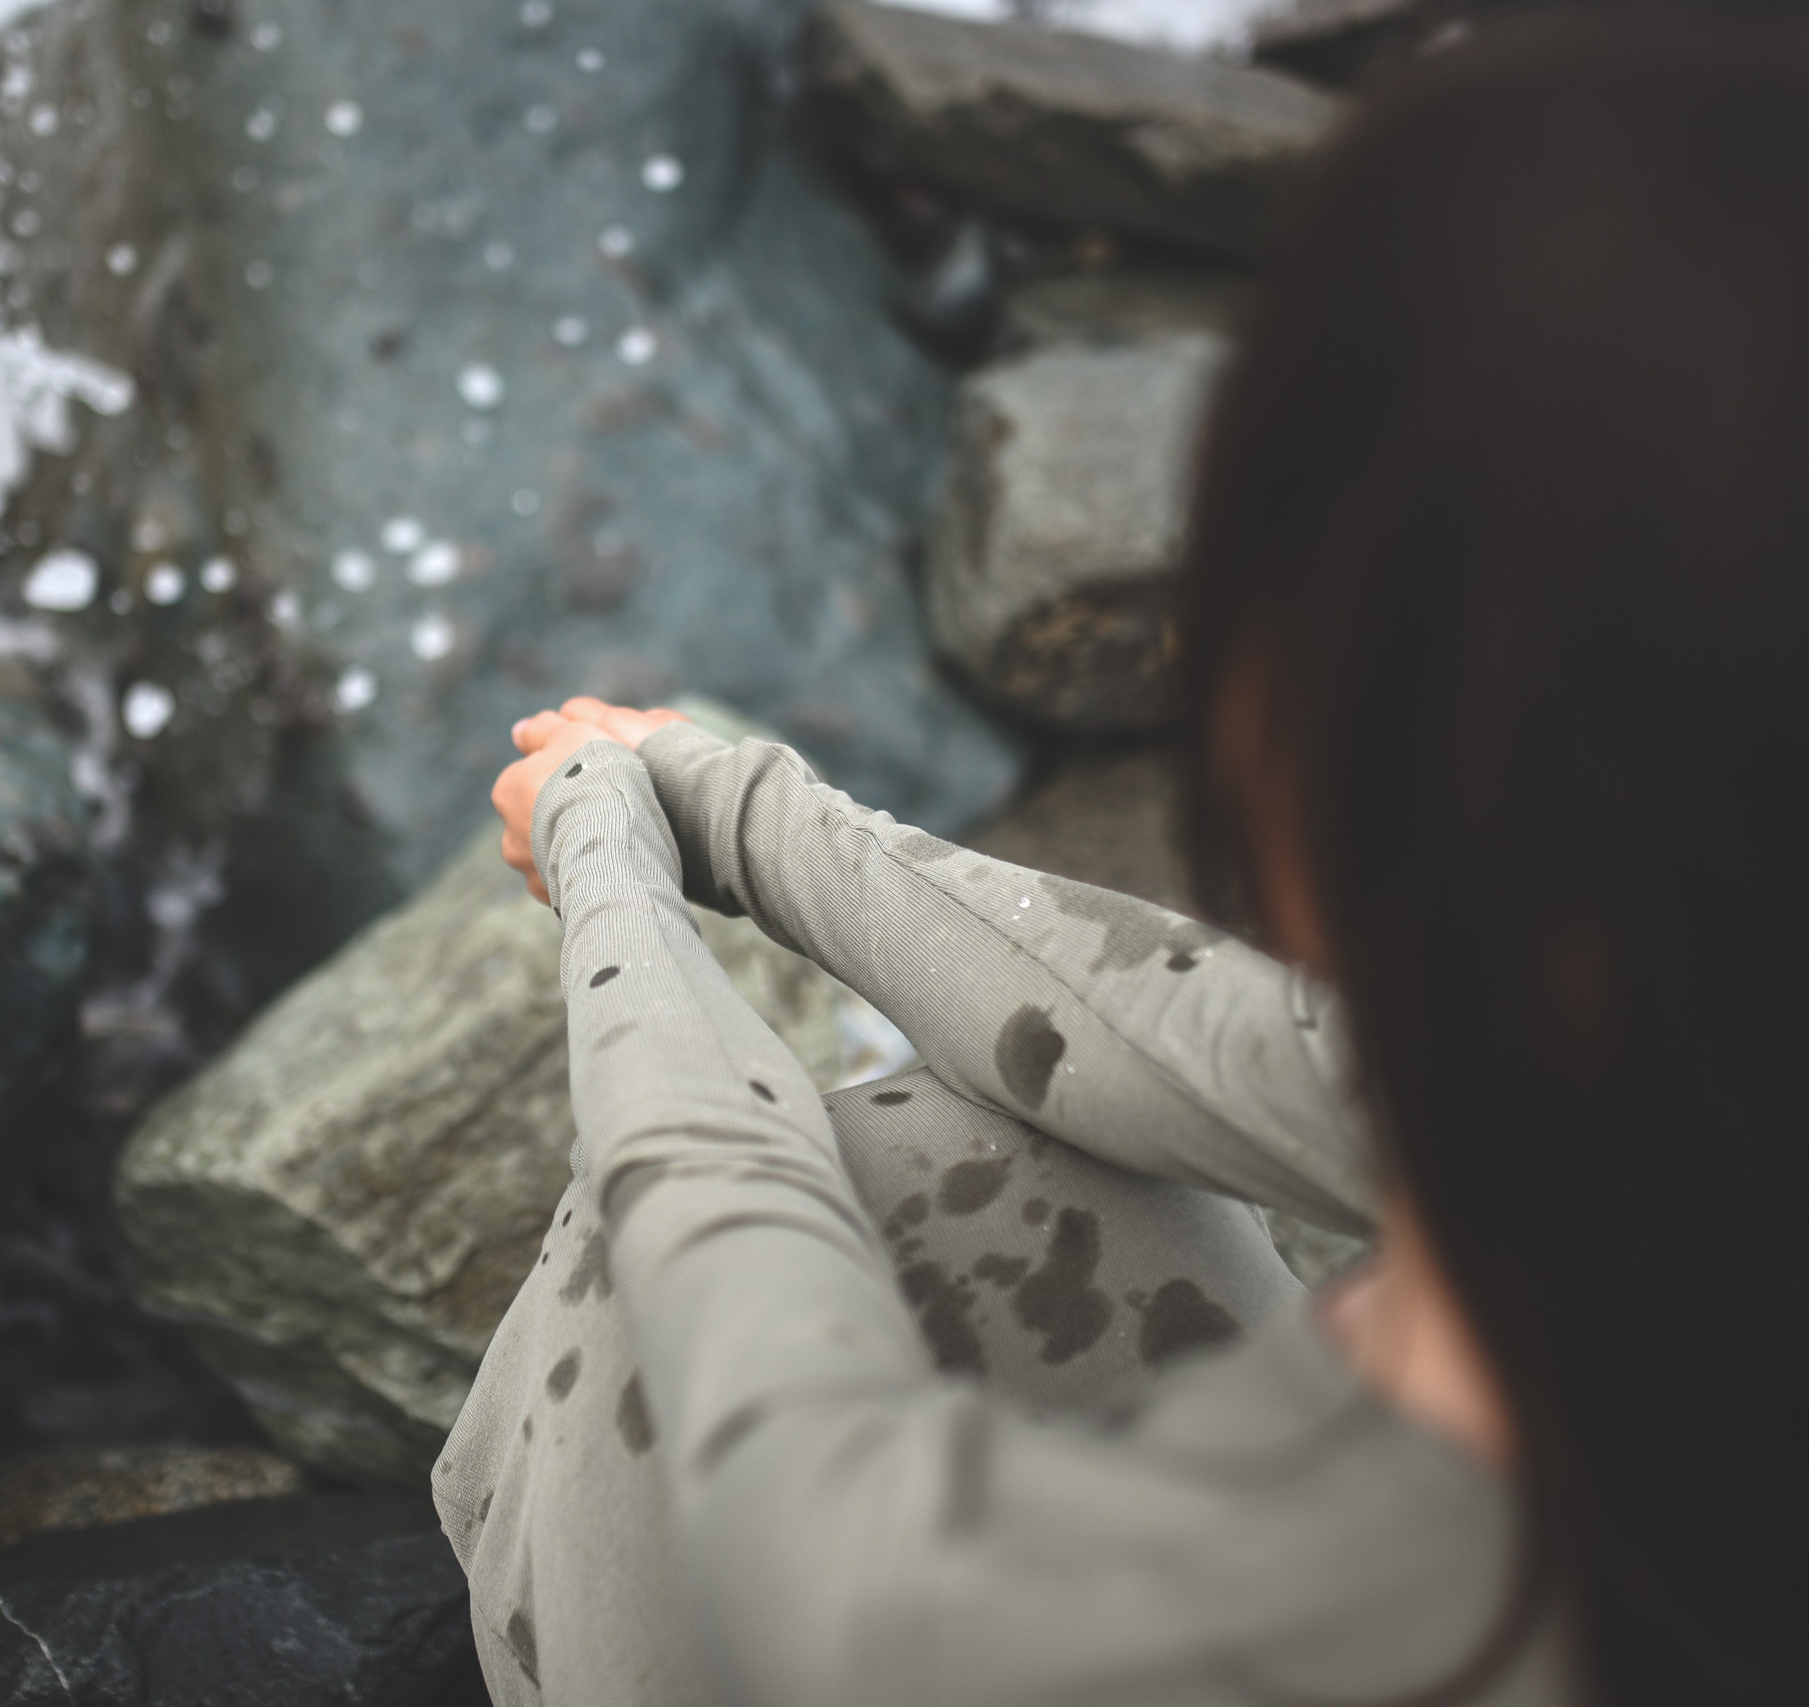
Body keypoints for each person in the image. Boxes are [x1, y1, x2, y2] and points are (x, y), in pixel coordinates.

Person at [431, 12, 1809, 1706]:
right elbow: (1205, 1044)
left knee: (636, 1305)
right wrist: (724, 807)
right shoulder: (1699, 1047)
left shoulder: (1051, 1623)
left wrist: (602, 853)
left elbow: (775, 1485)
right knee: (986, 1144)